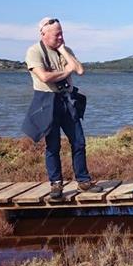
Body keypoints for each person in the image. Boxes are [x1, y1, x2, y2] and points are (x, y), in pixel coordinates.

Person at [21, 17, 101, 200]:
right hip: (46, 101)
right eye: (57, 34)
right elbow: (44, 77)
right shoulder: (34, 52)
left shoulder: (65, 50)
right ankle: (56, 184)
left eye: (62, 33)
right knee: (53, 145)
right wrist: (66, 71)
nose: (61, 37)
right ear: (44, 34)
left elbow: (80, 70)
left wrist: (63, 50)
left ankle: (83, 181)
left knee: (79, 141)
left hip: (67, 99)